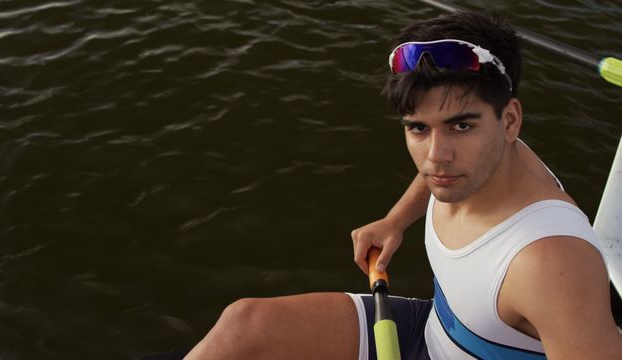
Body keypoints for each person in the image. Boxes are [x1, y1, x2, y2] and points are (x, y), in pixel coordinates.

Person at [184, 11, 622, 359]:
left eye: (461, 126)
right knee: (245, 323)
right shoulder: (478, 159)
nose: (435, 156)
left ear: (510, 120)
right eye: (418, 128)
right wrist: (395, 220)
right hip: (430, 332)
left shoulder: (551, 262)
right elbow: (434, 173)